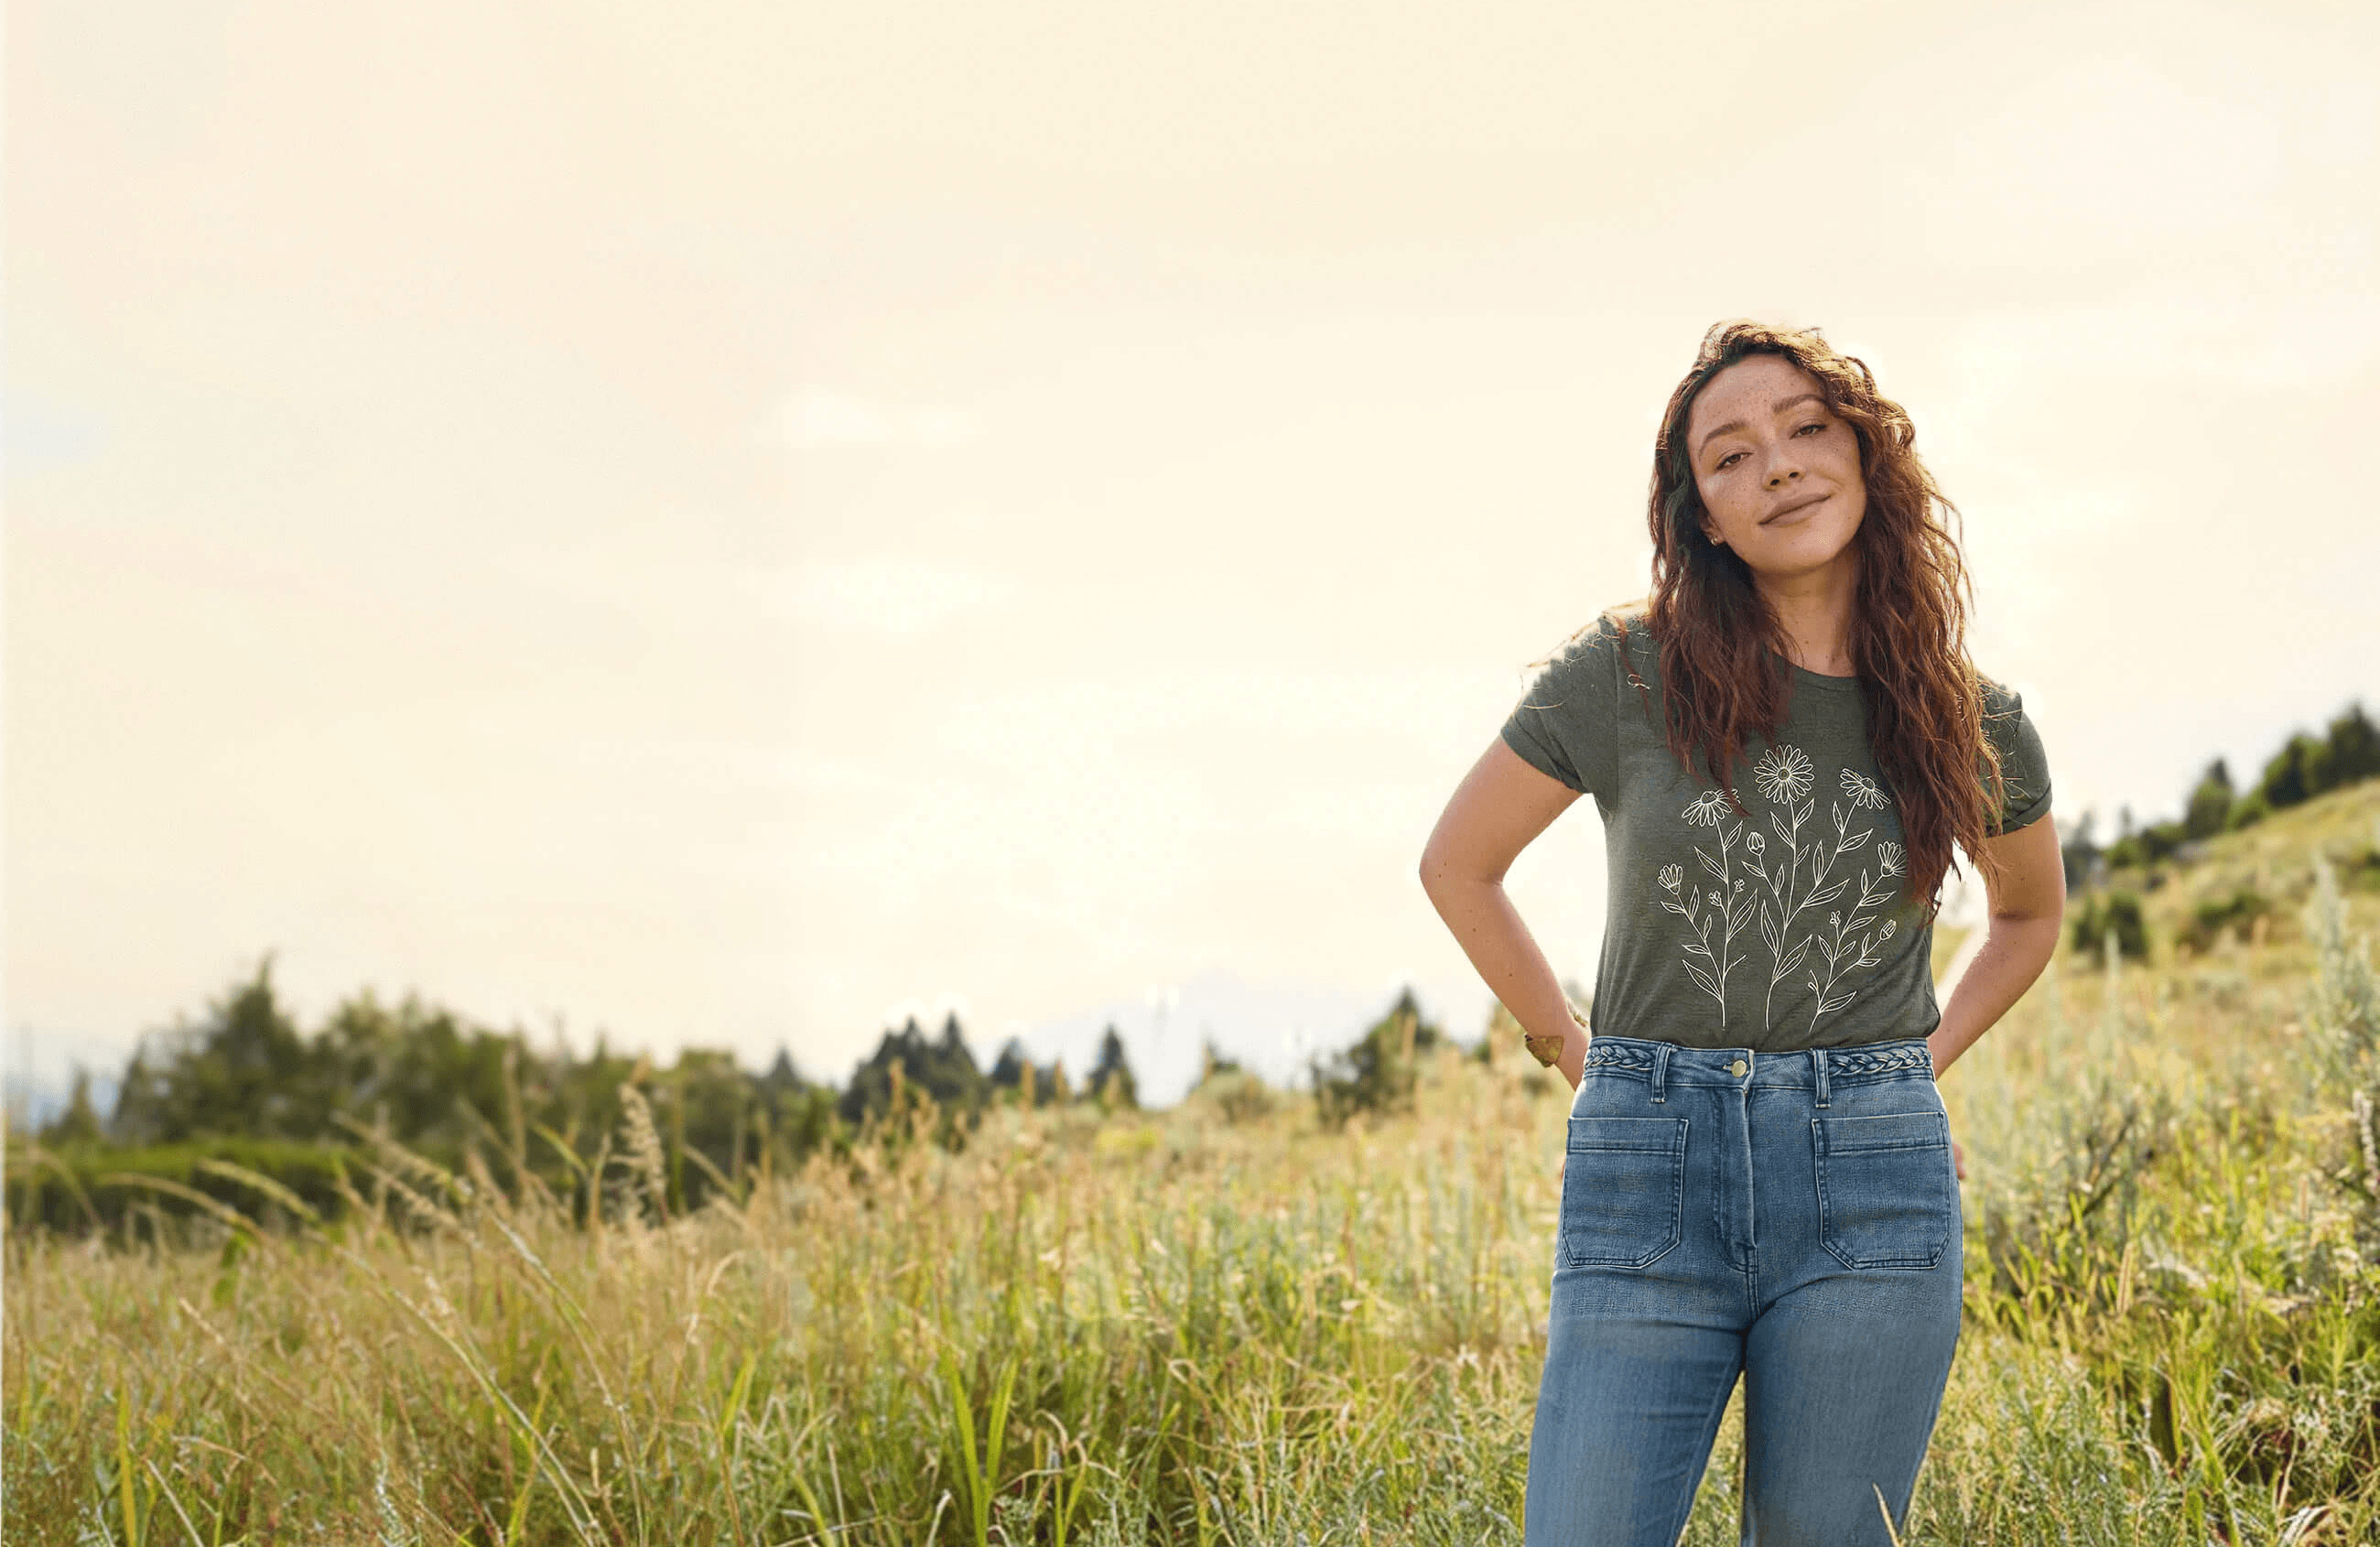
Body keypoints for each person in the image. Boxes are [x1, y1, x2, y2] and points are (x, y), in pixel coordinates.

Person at [1419, 319, 2065, 1546]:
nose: (1777, 465)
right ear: (1702, 515)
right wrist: (1574, 1048)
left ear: (1866, 458)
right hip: (1645, 1166)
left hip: (1876, 1183)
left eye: (1807, 429)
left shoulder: (1970, 716)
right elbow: (1460, 863)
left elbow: (2029, 914)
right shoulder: (1622, 671)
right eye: (1730, 455)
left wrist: (1908, 1069)